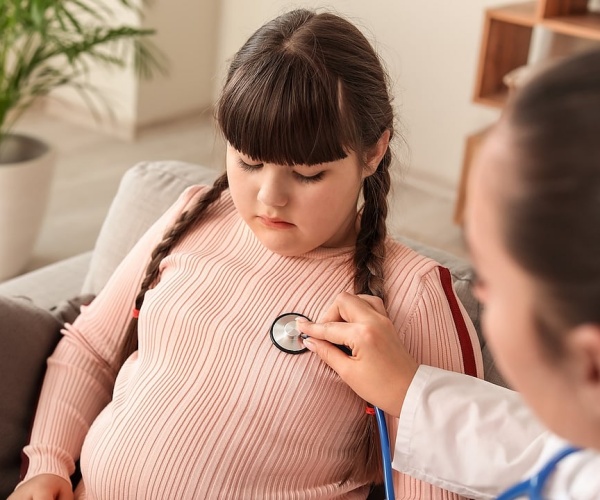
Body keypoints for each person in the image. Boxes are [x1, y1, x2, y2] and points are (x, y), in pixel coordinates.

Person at [10, 9, 484, 500]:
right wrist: (46, 466)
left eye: (307, 174)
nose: (269, 198)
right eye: (249, 162)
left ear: (373, 151)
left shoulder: (414, 295)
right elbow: (89, 348)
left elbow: (444, 473)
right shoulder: (195, 214)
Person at [299, 48, 600, 498]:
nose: (475, 288)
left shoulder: (419, 293)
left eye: (492, 282)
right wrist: (408, 391)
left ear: (590, 364)